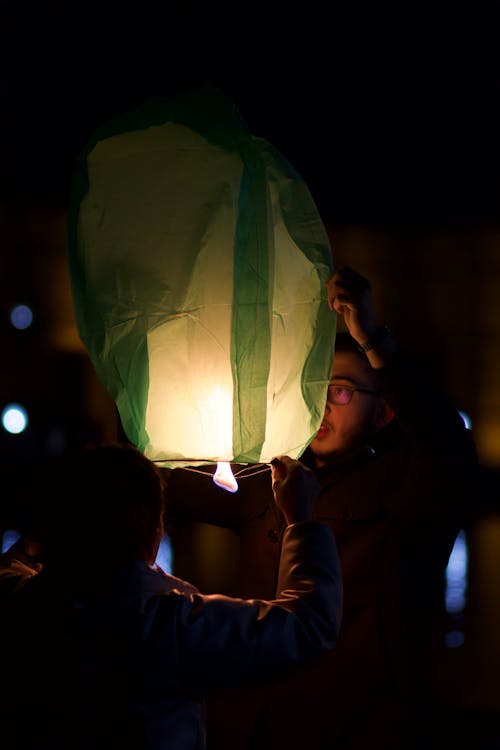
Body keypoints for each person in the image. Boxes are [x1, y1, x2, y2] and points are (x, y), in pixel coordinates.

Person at [165, 265, 479, 749]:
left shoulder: (405, 487)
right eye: (313, 388)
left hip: (355, 728)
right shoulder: (265, 478)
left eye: (341, 390)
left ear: (383, 411)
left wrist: (374, 339)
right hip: (250, 725)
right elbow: (161, 473)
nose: (322, 404)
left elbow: (449, 448)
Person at [0, 443, 342, 750]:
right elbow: (307, 628)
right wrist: (300, 520)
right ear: (153, 526)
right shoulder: (165, 626)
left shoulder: (21, 601)